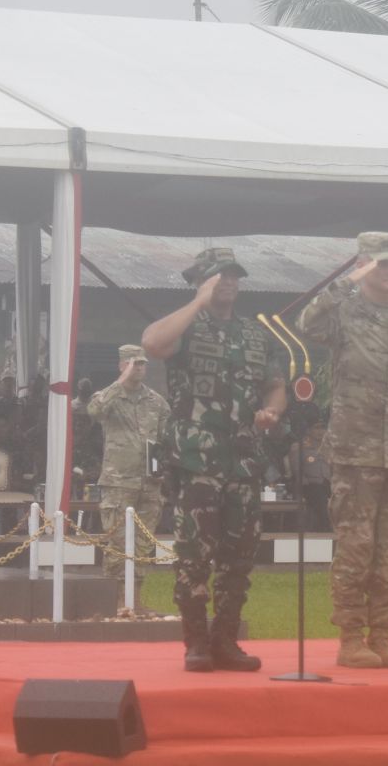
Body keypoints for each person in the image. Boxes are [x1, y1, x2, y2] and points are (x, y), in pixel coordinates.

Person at [298, 232, 388, 669]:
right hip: (355, 454)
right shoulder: (344, 317)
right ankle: (350, 636)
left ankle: (382, 634)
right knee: (355, 549)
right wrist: (345, 281)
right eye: (382, 263)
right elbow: (306, 323)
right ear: (363, 266)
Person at [142, 247, 285, 672]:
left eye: (234, 275)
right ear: (201, 280)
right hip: (197, 459)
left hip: (243, 459)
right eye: (219, 275)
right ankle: (196, 643)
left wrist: (271, 411)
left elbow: (275, 385)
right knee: (195, 554)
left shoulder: (255, 334)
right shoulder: (186, 325)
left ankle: (226, 640)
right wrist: (197, 302)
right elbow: (152, 343)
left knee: (239, 557)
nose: (229, 281)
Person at [86, 345, 171, 603]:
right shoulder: (109, 397)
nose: (140, 368)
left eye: (143, 364)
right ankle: (113, 600)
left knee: (143, 544)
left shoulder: (156, 402)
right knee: (118, 543)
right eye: (134, 363)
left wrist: (162, 468)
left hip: (149, 483)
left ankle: (134, 598)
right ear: (122, 365)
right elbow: (95, 411)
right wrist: (120, 382)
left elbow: (166, 439)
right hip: (118, 482)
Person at [289, 421, 331, 532]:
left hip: (327, 483)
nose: (320, 432)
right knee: (319, 496)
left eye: (323, 428)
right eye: (317, 428)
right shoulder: (299, 447)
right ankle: (327, 528)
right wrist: (304, 484)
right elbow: (296, 470)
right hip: (309, 484)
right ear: (308, 430)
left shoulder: (328, 447)